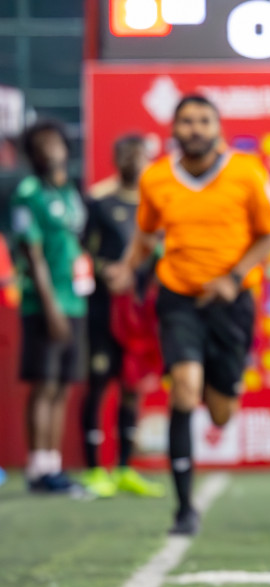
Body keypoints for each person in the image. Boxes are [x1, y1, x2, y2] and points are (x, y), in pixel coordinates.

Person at [106, 96, 270, 535]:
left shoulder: (247, 172)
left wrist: (234, 276)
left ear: (218, 128)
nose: (195, 128)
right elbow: (147, 237)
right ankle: (184, 507)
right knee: (183, 391)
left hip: (231, 301)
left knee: (221, 410)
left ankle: (219, 381)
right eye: (186, 121)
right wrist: (126, 269)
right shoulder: (156, 178)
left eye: (204, 120)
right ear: (174, 128)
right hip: (178, 296)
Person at [79, 133, 164, 499]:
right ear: (115, 158)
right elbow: (80, 251)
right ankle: (96, 469)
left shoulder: (156, 204)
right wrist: (105, 272)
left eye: (139, 154)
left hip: (140, 314)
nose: (133, 161)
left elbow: (161, 251)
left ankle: (126, 467)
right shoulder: (98, 201)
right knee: (98, 383)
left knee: (132, 387)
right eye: (126, 154)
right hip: (103, 308)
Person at [10, 122, 91, 496]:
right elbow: (33, 253)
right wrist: (51, 306)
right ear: (31, 152)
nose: (50, 150)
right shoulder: (29, 193)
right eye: (40, 145)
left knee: (62, 386)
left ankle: (54, 465)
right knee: (44, 384)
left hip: (74, 300)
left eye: (54, 141)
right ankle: (37, 467)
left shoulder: (69, 191)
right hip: (44, 304)